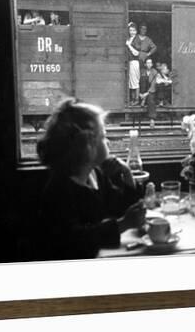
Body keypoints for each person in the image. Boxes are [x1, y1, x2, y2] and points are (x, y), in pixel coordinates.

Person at [35, 98, 146, 260]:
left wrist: (127, 172)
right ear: (86, 145)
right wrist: (122, 225)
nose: (107, 141)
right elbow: (74, 240)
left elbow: (120, 206)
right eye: (103, 137)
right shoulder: (60, 189)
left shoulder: (95, 174)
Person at [139, 58, 158, 128]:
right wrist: (140, 93)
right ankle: (143, 98)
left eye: (150, 63)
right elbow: (139, 82)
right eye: (147, 63)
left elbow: (153, 84)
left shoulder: (154, 72)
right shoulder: (142, 71)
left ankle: (152, 119)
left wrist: (146, 94)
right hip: (142, 91)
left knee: (151, 100)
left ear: (152, 64)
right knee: (143, 79)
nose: (149, 64)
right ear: (145, 64)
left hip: (151, 92)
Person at [126, 22, 141, 105]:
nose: (132, 32)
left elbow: (136, 53)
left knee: (134, 81)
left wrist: (129, 45)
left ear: (136, 31)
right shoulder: (129, 38)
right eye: (130, 30)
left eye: (134, 30)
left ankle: (136, 100)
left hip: (134, 62)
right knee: (131, 81)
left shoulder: (137, 39)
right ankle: (132, 99)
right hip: (130, 62)